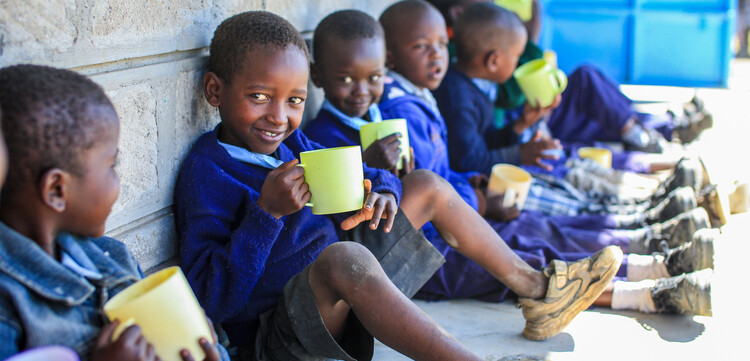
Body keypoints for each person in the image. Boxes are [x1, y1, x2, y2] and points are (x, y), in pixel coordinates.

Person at [173, 11, 624, 358]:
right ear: (214, 91)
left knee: (425, 184)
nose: (279, 116)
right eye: (259, 96)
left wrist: (385, 190)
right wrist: (266, 215)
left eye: (294, 100)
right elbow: (211, 299)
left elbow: (369, 175)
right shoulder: (207, 173)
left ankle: (540, 291)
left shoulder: (292, 143)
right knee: (344, 258)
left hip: (353, 289)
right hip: (283, 333)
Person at [303, 8, 714, 307]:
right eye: (345, 79)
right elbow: (346, 225)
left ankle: (653, 256)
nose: (363, 89)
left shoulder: (381, 113)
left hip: (448, 219)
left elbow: (429, 176)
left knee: (535, 234)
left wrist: (468, 188)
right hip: (414, 251)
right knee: (520, 264)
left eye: (372, 78)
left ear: (384, 70)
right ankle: (648, 291)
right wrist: (380, 168)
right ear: (318, 78)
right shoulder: (330, 138)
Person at [0, 65, 227, 360]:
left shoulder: (111, 257)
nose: (118, 181)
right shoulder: (9, 305)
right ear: (57, 190)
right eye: (111, 166)